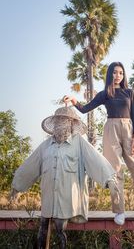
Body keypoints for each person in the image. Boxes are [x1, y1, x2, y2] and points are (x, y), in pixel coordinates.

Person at [64, 61, 134, 225]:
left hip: (128, 130)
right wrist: (74, 101)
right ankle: (119, 211)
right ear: (110, 74)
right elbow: (85, 109)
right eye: (115, 72)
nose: (118, 76)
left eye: (121, 73)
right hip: (111, 130)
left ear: (123, 75)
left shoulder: (129, 93)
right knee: (114, 172)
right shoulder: (104, 94)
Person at [10, 105, 119, 249]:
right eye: (59, 120)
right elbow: (30, 165)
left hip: (68, 201)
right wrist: (16, 187)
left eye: (65, 120)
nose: (61, 123)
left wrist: (109, 181)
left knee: (61, 230)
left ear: (72, 123)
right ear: (54, 123)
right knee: (43, 229)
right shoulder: (45, 146)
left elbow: (96, 160)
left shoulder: (79, 143)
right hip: (48, 200)